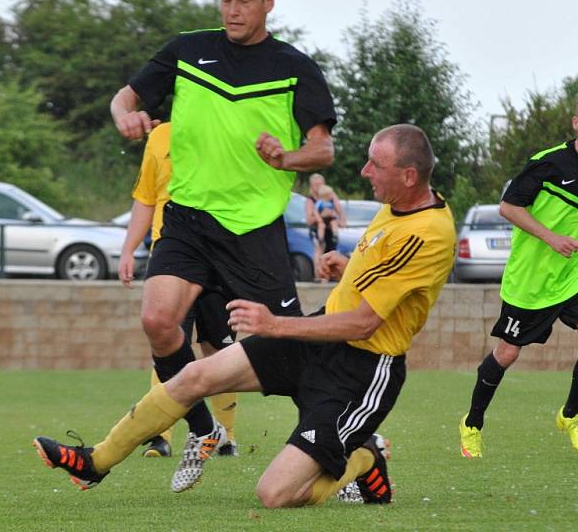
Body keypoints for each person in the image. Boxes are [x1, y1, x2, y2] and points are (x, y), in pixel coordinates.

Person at [32, 124, 456, 508]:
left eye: (375, 165)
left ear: (409, 176)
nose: (365, 171)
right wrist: (347, 267)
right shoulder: (397, 205)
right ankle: (95, 461)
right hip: (317, 339)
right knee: (194, 377)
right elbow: (387, 277)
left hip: (360, 371)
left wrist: (273, 324)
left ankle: (365, 456)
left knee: (275, 495)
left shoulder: (427, 232)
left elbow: (366, 322)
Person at [105, 0, 336, 492]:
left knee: (285, 352)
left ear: (268, 3)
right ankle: (203, 427)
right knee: (158, 323)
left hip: (253, 228)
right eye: (226, 0)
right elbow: (127, 96)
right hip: (186, 218)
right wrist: (124, 114)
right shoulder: (187, 50)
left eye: (245, 1)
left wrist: (287, 158)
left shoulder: (295, 66)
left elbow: (322, 148)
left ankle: (339, 446)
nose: (233, 10)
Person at [459, 90, 578, 459]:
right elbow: (507, 207)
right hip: (530, 278)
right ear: (576, 123)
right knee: (507, 353)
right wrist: (551, 238)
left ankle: (570, 415)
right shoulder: (547, 163)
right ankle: (472, 422)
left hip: (574, 273)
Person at [118, 122, 240, 458]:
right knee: (168, 344)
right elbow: (145, 198)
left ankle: (226, 434)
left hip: (219, 255)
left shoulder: (225, 126)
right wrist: (128, 250)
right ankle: (161, 435)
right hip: (171, 259)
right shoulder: (159, 137)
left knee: (220, 348)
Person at [314, 184, 344, 252]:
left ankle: (335, 235)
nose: (331, 196)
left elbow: (334, 211)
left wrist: (336, 216)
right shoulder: (320, 202)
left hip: (331, 218)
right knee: (321, 226)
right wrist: (319, 219)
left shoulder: (331, 203)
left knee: (334, 223)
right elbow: (315, 211)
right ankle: (320, 238)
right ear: (325, 195)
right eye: (330, 194)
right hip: (323, 219)